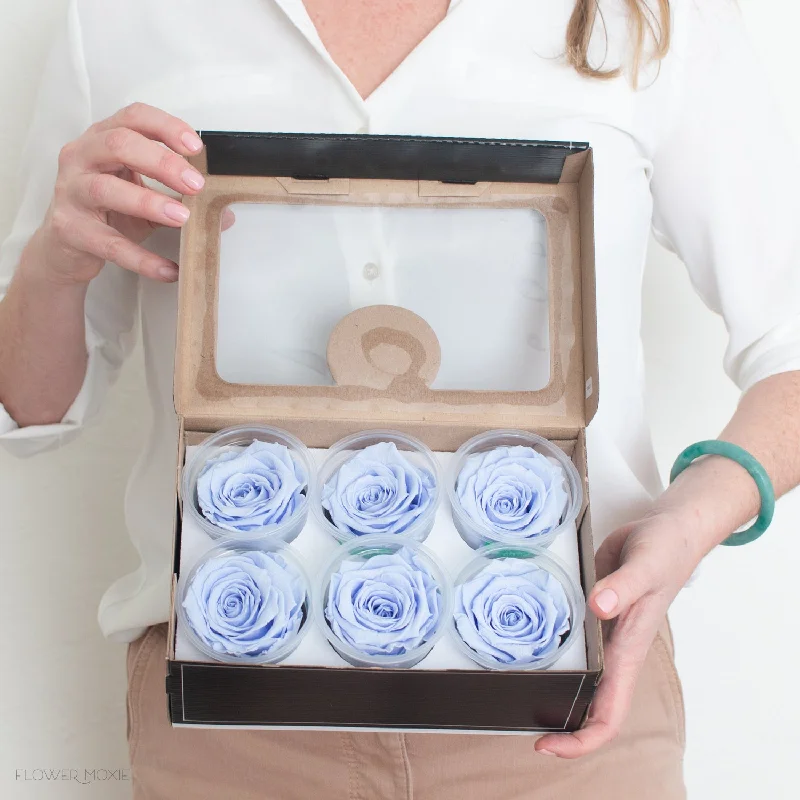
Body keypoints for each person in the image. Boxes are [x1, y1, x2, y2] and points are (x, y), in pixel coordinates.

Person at [1, 0, 798, 797]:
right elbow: (32, 411)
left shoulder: (656, 18)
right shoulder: (118, 20)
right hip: (230, 703)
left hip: (571, 700)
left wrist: (691, 518)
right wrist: (50, 267)